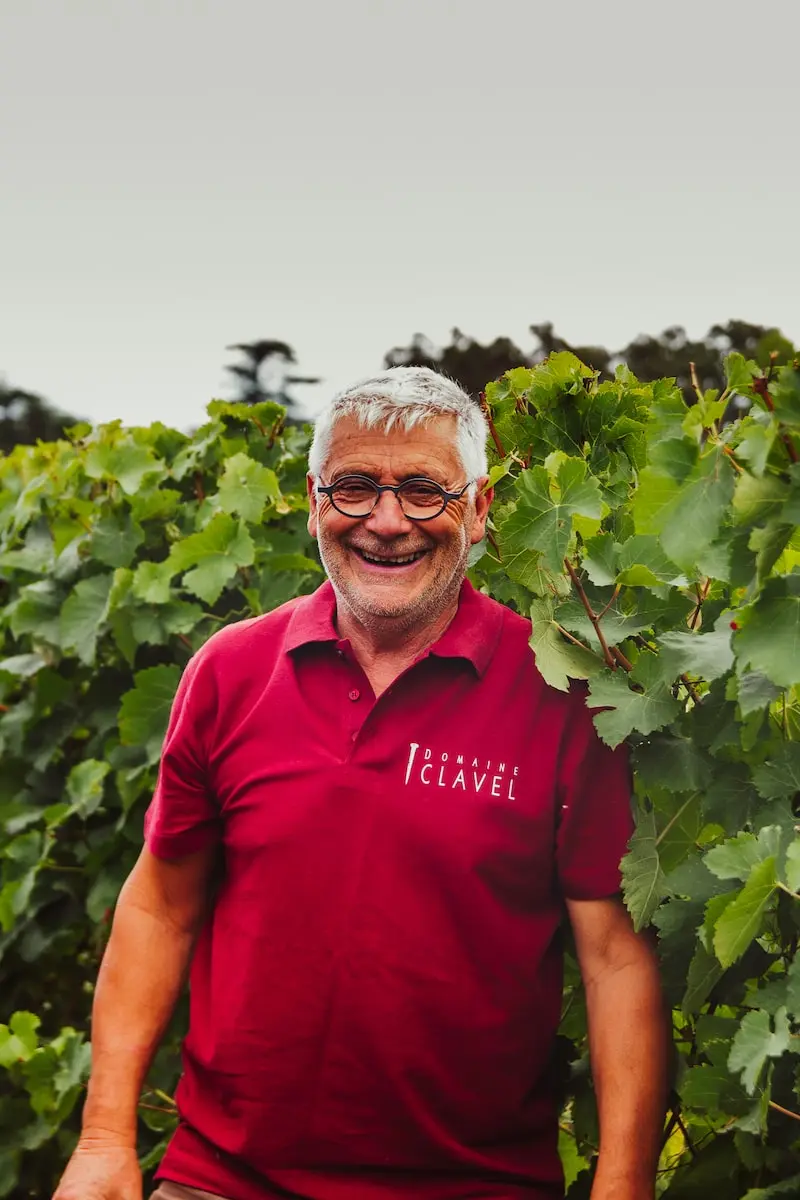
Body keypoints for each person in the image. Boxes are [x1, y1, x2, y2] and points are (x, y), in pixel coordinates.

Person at [54, 367, 667, 1200]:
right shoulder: (230, 673)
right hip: (224, 1181)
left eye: (424, 490)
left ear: (480, 511)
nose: (387, 521)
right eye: (355, 487)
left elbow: (614, 961)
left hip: (476, 1188)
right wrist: (102, 1138)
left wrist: (622, 1185)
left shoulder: (564, 697)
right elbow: (161, 905)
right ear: (314, 502)